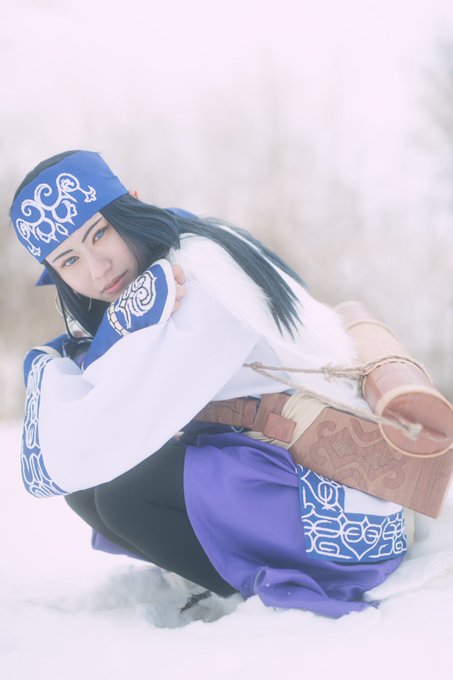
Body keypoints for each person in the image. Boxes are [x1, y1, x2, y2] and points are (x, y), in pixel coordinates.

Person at [10, 150, 407, 618]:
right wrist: (115, 329)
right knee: (92, 486)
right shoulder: (177, 252)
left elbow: (104, 417)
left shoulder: (195, 277)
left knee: (121, 494)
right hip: (294, 463)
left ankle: (253, 591)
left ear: (130, 203)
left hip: (345, 505)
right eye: (69, 260)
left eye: (100, 233)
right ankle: (223, 568)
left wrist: (114, 332)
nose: (97, 268)